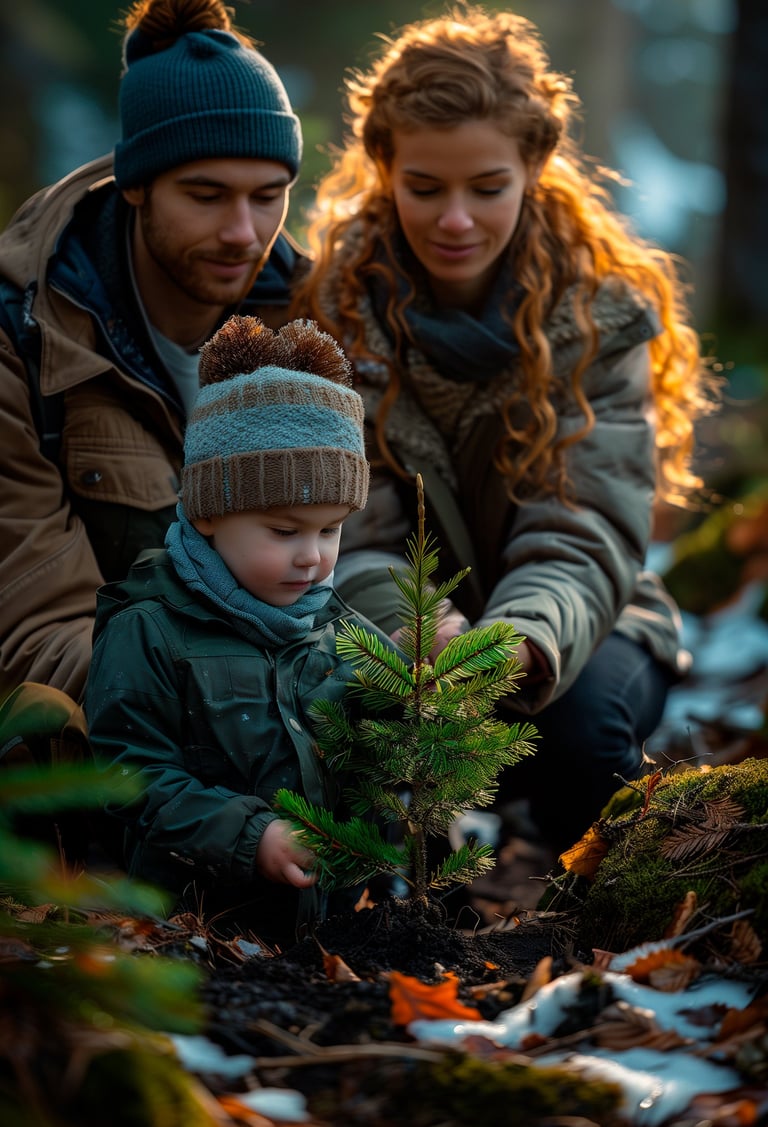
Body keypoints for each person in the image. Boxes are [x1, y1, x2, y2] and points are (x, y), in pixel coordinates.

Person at [291, 4, 719, 853]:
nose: (456, 219)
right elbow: (344, 526)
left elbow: (587, 522)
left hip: (579, 620)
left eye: (487, 189)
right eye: (425, 188)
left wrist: (517, 643)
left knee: (588, 747)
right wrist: (424, 628)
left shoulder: (600, 318)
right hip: (390, 635)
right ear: (383, 168)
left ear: (535, 166)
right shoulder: (329, 315)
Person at [0, 0, 304, 708]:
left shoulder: (307, 329)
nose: (242, 231)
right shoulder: (22, 337)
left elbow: (358, 553)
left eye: (269, 196)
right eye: (206, 195)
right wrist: (234, 712)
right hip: (107, 739)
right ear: (134, 183)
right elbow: (37, 628)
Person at [84, 315, 378, 946]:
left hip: (328, 933)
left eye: (330, 530)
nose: (312, 557)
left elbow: (383, 742)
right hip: (191, 929)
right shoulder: (150, 630)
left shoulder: (339, 628)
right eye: (284, 531)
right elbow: (129, 773)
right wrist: (254, 836)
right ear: (210, 512)